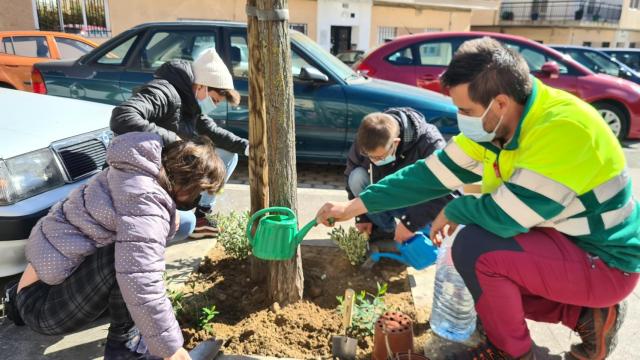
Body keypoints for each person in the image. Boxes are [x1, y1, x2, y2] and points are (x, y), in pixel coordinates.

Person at [316, 37, 640, 359]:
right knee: (480, 281)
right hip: (569, 245)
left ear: (499, 103)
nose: (460, 117)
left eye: (464, 110)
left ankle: (512, 353)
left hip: (605, 265)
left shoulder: (561, 130)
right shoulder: (501, 124)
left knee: (475, 249)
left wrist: (458, 208)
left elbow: (506, 216)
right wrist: (353, 207)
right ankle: (587, 318)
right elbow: (430, 174)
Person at [7, 132, 225, 360]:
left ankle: (17, 300)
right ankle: (124, 350)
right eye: (199, 193)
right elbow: (141, 281)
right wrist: (172, 350)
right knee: (130, 264)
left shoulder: (135, 171)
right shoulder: (146, 203)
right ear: (187, 183)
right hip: (41, 306)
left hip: (35, 287)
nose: (198, 200)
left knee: (133, 259)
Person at [110, 48, 248, 239]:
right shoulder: (164, 92)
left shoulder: (191, 102)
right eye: (214, 100)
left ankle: (202, 214)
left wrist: (248, 147)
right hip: (142, 176)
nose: (214, 106)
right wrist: (173, 139)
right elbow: (123, 117)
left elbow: (212, 131)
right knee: (184, 224)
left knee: (227, 155)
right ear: (201, 86)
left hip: (166, 173)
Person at [345, 108, 455, 242]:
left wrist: (409, 224)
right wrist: (362, 216)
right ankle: (386, 230)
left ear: (395, 142)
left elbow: (449, 190)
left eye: (379, 157)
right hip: (385, 199)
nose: (374, 161)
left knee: (424, 239)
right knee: (357, 177)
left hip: (419, 203)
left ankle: (420, 231)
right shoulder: (367, 137)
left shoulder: (429, 142)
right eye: (370, 157)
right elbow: (351, 170)